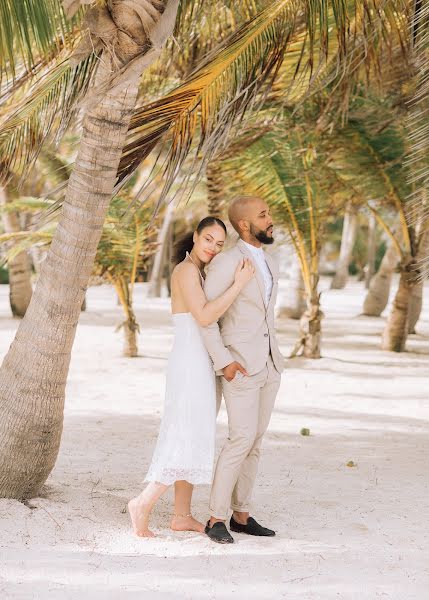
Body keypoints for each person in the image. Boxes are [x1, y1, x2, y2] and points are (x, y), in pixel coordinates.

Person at [128, 216, 255, 537]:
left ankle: (182, 515)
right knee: (183, 434)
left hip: (201, 361)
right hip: (189, 363)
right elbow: (205, 315)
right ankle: (142, 503)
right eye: (208, 239)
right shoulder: (185, 271)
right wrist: (239, 284)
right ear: (196, 237)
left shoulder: (200, 272)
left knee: (195, 435)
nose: (213, 247)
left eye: (219, 243)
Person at [201, 196, 284, 544]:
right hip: (240, 366)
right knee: (240, 439)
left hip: (269, 364)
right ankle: (215, 518)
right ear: (244, 225)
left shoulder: (271, 261)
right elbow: (206, 317)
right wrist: (225, 362)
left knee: (256, 442)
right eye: (263, 215)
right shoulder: (226, 262)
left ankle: (241, 514)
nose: (270, 219)